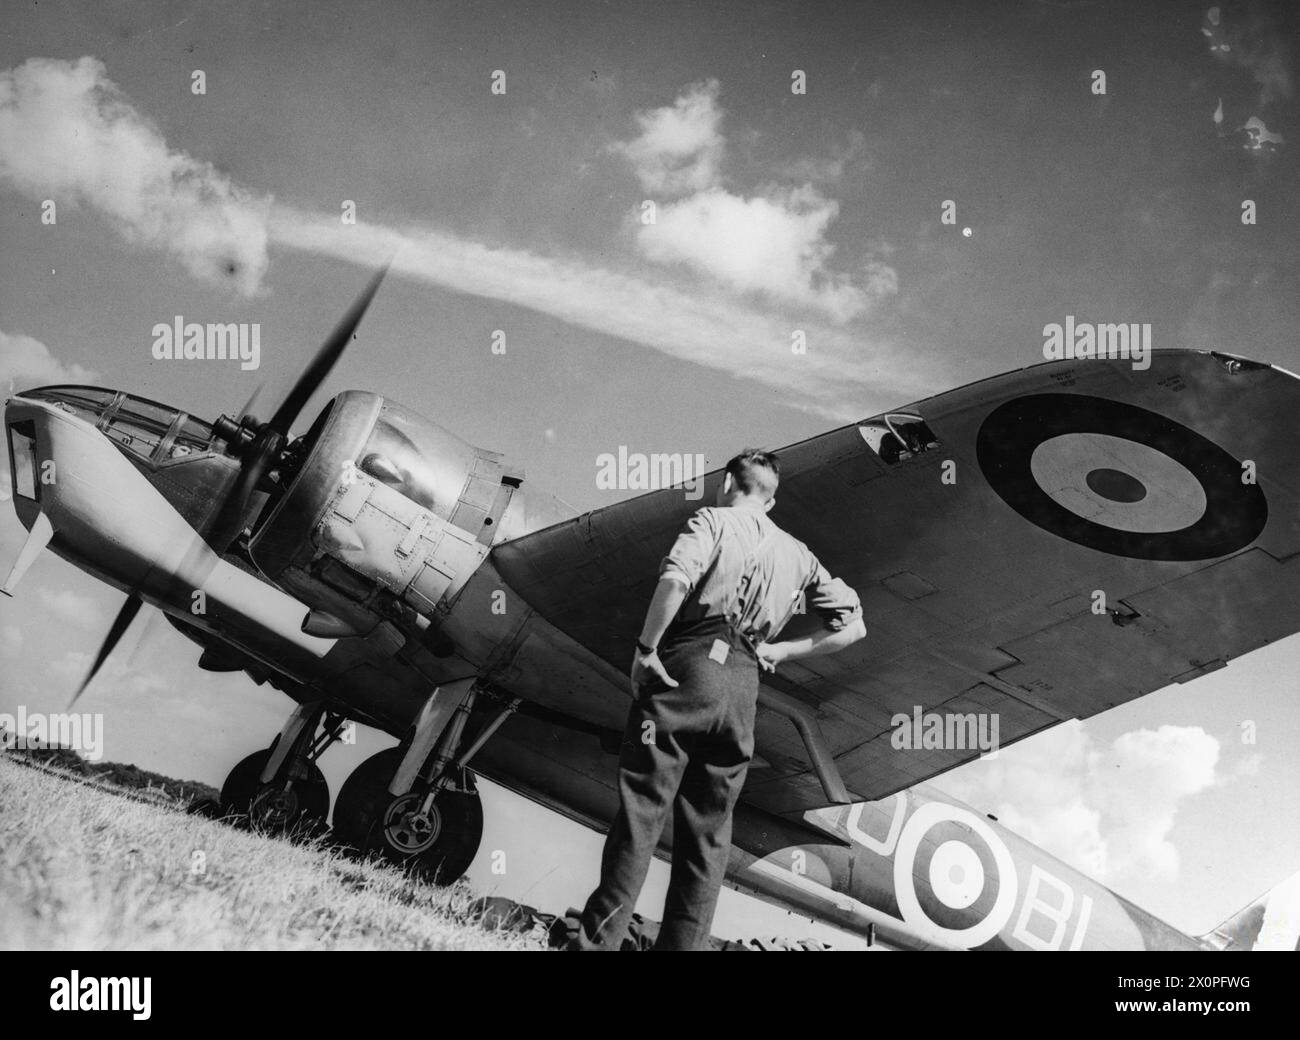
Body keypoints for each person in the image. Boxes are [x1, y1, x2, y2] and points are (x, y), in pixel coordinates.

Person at [568, 448, 865, 950]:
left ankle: (595, 944)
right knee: (708, 839)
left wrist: (645, 650)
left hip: (689, 667)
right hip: (742, 691)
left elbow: (675, 580)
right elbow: (854, 627)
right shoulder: (799, 555)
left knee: (642, 813)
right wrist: (782, 650)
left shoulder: (712, 519)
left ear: (728, 482)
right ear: (770, 502)